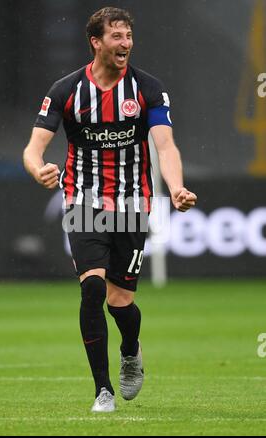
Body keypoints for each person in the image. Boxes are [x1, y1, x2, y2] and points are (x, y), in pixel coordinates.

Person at [23, 7, 197, 412]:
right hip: (83, 201)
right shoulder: (66, 90)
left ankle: (131, 351)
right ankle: (103, 390)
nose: (125, 44)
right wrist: (38, 170)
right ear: (96, 42)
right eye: (116, 37)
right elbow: (33, 148)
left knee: (120, 301)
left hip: (133, 203)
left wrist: (176, 188)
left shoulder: (147, 88)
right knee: (93, 288)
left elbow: (165, 145)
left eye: (128, 36)